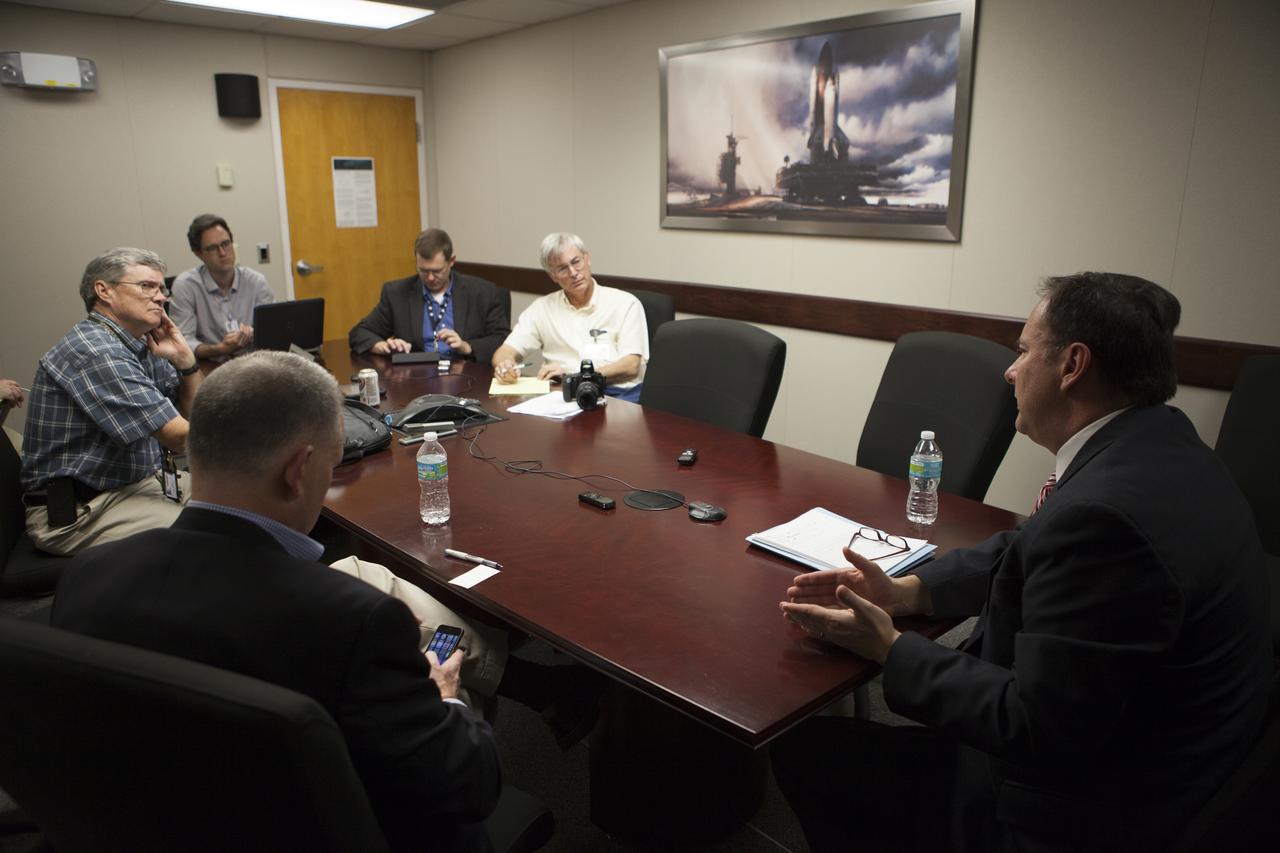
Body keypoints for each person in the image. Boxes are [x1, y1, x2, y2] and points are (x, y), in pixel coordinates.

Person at [772, 272, 1272, 853]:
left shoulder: (1108, 517)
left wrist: (890, 647)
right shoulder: (1159, 443)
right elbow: (1028, 545)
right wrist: (909, 592)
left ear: (1072, 365)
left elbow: (1034, 725)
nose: (1010, 371)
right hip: (1163, 744)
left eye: (1025, 351)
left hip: (1088, 810)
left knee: (808, 753)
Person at [51, 350, 500, 851]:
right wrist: (446, 698)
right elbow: (465, 787)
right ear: (300, 470)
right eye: (331, 467)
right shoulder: (352, 621)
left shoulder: (87, 574)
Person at [21, 248, 200, 556]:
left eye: (161, 288)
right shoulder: (94, 350)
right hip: (79, 511)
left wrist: (186, 363)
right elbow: (181, 437)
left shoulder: (143, 342)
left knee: (244, 503)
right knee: (210, 534)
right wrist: (255, 439)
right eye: (147, 286)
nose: (160, 297)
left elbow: (192, 417)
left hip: (134, 485)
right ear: (103, 290)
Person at [492, 233, 648, 402]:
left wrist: (574, 376)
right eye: (562, 268)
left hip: (616, 395)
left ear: (587, 259)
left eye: (576, 262)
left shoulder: (625, 304)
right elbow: (506, 351)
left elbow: (631, 366)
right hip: (562, 396)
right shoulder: (542, 308)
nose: (573, 272)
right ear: (553, 276)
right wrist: (504, 366)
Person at [348, 228, 510, 362]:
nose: (430, 278)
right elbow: (359, 333)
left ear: (451, 261)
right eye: (423, 271)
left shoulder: (481, 292)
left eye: (437, 271)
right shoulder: (397, 294)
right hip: (416, 377)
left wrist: (467, 346)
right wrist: (381, 345)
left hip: (468, 372)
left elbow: (503, 338)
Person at [169, 213, 274, 359]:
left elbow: (273, 330)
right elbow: (182, 342)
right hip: (211, 366)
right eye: (213, 248)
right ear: (198, 253)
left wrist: (253, 333)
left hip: (253, 363)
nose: (223, 253)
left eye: (226, 244)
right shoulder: (186, 285)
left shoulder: (256, 281)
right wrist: (219, 349)